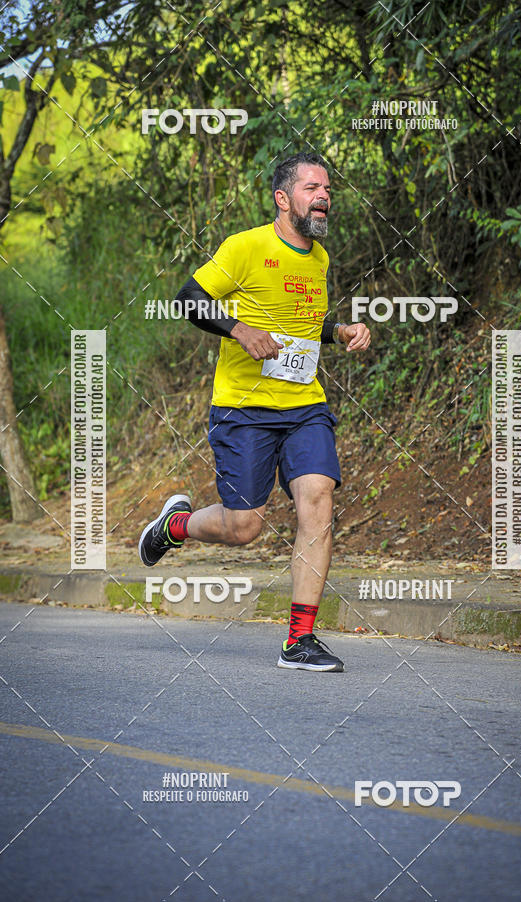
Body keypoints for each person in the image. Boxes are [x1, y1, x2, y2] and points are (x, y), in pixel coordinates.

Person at [139, 151, 370, 671]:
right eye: (312, 188)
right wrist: (239, 331)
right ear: (283, 199)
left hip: (305, 404)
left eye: (327, 189)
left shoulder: (319, 258)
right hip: (244, 409)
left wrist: (339, 331)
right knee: (245, 527)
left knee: (318, 498)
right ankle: (175, 526)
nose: (325, 197)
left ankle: (299, 641)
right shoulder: (246, 247)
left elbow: (303, 328)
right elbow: (187, 298)